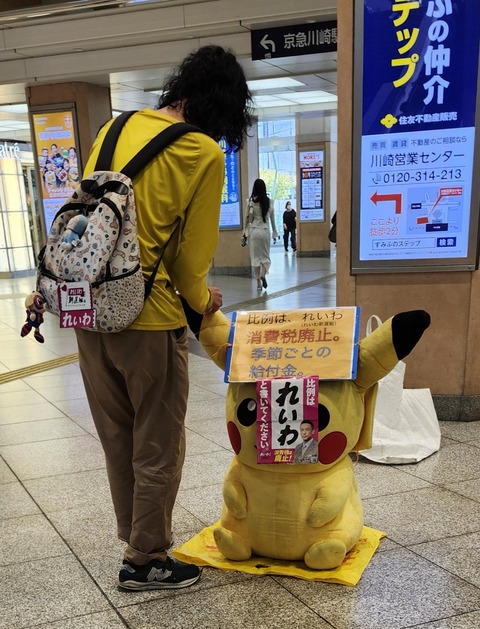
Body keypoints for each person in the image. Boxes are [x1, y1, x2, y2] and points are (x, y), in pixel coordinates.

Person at [75, 45, 253, 592]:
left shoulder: (112, 128)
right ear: (225, 107)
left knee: (117, 435)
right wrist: (204, 300)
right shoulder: (202, 151)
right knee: (157, 441)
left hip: (88, 309)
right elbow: (188, 262)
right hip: (146, 318)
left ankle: (135, 536)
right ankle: (145, 558)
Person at [243, 178, 278, 290]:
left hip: (254, 232)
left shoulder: (250, 202)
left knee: (255, 258)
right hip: (265, 231)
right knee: (265, 257)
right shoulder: (270, 202)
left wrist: (244, 233)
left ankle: (258, 282)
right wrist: (275, 234)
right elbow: (272, 220)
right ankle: (263, 274)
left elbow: (247, 219)